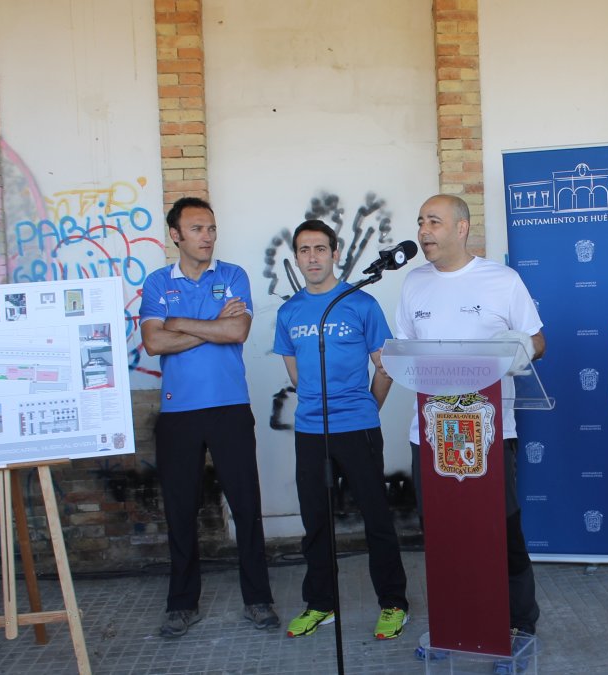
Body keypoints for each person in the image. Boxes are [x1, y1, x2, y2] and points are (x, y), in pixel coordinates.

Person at [395, 194, 545, 641]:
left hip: (490, 431)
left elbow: (538, 342)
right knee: (443, 531)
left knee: (500, 527)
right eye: (421, 222)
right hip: (431, 433)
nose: (424, 231)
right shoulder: (413, 282)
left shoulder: (502, 280)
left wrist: (514, 351)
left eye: (434, 222)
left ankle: (519, 620)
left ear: (461, 228)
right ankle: (453, 622)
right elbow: (404, 348)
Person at [141, 196, 278, 638]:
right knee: (180, 510)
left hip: (229, 407)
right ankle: (182, 605)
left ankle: (258, 599)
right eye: (197, 229)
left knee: (246, 506)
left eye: (212, 228)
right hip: (178, 412)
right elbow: (154, 343)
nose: (207, 236)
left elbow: (237, 330)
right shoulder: (158, 282)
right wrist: (210, 325)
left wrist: (179, 322)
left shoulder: (233, 275)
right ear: (175, 235)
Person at [273, 220, 409, 640]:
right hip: (310, 432)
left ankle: (393, 603)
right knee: (315, 521)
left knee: (376, 518)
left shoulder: (360, 303)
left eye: (320, 249)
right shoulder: (288, 312)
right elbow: (297, 374)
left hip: (357, 428)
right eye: (304, 250)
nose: (312, 257)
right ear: (297, 258)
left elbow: (385, 366)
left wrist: (367, 408)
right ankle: (321, 604)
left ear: (335, 253)